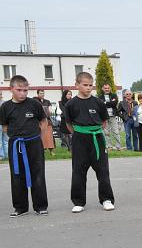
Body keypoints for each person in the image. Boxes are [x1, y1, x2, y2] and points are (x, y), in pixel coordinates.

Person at [64, 72, 115, 213]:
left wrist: (93, 131)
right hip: (79, 138)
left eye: (90, 85)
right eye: (85, 85)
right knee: (78, 170)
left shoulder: (98, 102)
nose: (88, 88)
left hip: (97, 138)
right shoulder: (70, 104)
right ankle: (78, 202)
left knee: (103, 170)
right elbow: (69, 124)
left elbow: (104, 122)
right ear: (77, 85)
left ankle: (106, 199)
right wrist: (80, 133)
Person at [0, 75, 48, 216]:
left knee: (38, 174)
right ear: (11, 89)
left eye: (25, 90)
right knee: (17, 174)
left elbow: (43, 122)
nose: (22, 93)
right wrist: (16, 136)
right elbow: (5, 126)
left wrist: (37, 138)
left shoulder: (34, 104)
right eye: (19, 90)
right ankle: (20, 208)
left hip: (34, 142)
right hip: (16, 144)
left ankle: (40, 206)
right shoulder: (5, 107)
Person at [99, 83, 122, 151]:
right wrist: (110, 103)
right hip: (104, 117)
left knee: (116, 131)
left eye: (108, 88)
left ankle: (118, 146)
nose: (107, 89)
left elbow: (114, 104)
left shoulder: (114, 95)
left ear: (110, 88)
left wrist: (105, 103)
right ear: (102, 89)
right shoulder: (100, 97)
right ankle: (109, 146)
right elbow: (101, 105)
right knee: (106, 132)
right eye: (105, 88)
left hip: (113, 116)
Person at [34, 89, 56, 156]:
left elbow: (50, 111)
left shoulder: (47, 101)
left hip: (47, 120)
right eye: (41, 93)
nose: (42, 94)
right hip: (39, 121)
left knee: (49, 136)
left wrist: (48, 111)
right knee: (41, 136)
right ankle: (42, 150)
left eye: (43, 93)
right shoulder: (35, 101)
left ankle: (51, 151)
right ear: (38, 94)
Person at [0, 91, 7, 161]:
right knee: (4, 140)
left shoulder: (4, 103)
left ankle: (2, 155)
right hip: (4, 123)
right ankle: (5, 155)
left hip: (3, 124)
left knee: (4, 140)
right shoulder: (5, 103)